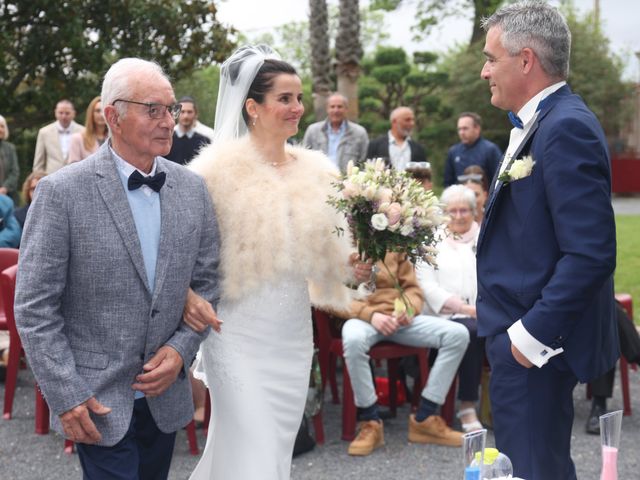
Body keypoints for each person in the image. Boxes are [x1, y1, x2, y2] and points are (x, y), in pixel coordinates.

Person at [14, 57, 221, 480]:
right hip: (95, 399)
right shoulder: (60, 193)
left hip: (164, 397)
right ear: (113, 116)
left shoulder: (192, 188)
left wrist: (181, 351)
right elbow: (35, 307)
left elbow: (208, 283)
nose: (168, 120)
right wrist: (66, 395)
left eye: (171, 109)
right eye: (153, 109)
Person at [182, 45, 362, 479]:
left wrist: (356, 270)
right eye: (285, 98)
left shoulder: (320, 171)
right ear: (252, 106)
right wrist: (186, 295)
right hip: (235, 330)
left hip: (292, 335)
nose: (298, 108)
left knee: (272, 452)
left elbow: (332, 256)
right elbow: (183, 250)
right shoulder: (212, 172)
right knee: (253, 446)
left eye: (299, 98)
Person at [476, 3, 618, 479]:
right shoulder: (540, 122)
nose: (484, 70)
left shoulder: (565, 128)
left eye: (491, 58)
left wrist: (528, 336)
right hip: (517, 338)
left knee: (535, 469)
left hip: (535, 348)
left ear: (526, 59)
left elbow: (591, 252)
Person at [336, 251, 468, 456]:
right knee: (352, 339)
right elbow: (330, 294)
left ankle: (424, 418)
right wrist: (370, 315)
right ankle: (370, 422)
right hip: (362, 319)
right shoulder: (341, 240)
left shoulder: (393, 240)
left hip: (399, 320)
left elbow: (413, 288)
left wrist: (407, 309)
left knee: (458, 334)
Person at [417, 185, 483, 433]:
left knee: (474, 329)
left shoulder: (485, 237)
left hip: (484, 312)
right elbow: (425, 285)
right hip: (442, 315)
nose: (457, 216)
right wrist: (465, 309)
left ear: (474, 212)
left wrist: (480, 309)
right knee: (470, 331)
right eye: (452, 210)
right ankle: (467, 405)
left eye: (464, 210)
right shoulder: (430, 240)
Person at [302, 93, 369, 172]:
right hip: (319, 181)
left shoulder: (359, 133)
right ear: (327, 109)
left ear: (346, 109)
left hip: (347, 182)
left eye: (340, 107)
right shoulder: (313, 131)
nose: (336, 110)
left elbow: (363, 163)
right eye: (332, 106)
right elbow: (304, 159)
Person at [443, 112, 502, 187]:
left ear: (477, 128)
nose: (461, 132)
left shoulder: (490, 150)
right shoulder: (453, 152)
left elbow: (498, 180)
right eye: (459, 129)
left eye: (465, 128)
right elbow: (448, 182)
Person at [366, 106, 427, 171]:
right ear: (394, 121)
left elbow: (424, 176)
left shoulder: (418, 148)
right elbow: (368, 170)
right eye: (407, 120)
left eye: (412, 120)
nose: (412, 123)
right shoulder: (375, 145)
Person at [33, 99, 84, 174]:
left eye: (67, 113)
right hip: (51, 178)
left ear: (74, 113)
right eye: (60, 113)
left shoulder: (83, 131)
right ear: (55, 113)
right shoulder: (44, 132)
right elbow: (39, 162)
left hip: (76, 177)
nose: (64, 116)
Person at [166, 96, 210, 165]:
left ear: (196, 114)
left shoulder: (205, 142)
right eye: (182, 112)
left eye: (189, 112)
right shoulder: (166, 139)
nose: (186, 116)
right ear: (176, 113)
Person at [68, 96, 108, 163]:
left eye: (104, 111)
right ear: (91, 113)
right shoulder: (78, 138)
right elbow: (73, 168)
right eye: (98, 111)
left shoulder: (115, 139)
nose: (101, 114)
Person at [0, 115, 21, 202]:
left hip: (9, 195)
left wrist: (5, 188)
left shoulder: (10, 148)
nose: (0, 129)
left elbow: (14, 171)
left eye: (2, 126)